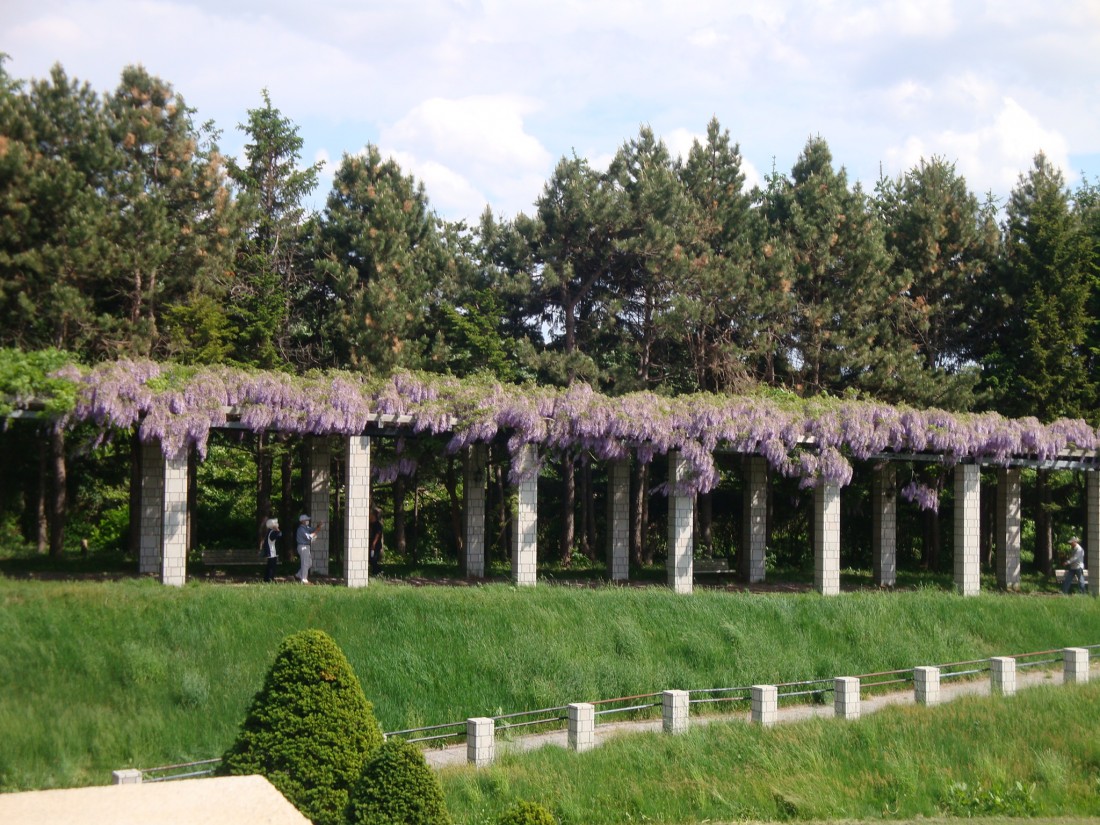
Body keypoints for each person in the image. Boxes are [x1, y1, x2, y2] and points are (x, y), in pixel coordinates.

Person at [296, 514, 323, 584]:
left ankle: (299, 574)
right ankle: (304, 579)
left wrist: (318, 526)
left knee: (309, 563)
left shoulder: (306, 527)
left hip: (306, 547)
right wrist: (317, 531)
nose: (308, 521)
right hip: (303, 546)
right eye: (306, 520)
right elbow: (309, 537)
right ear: (302, 521)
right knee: (305, 563)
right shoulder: (301, 529)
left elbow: (313, 529)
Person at [263, 518, 282, 582]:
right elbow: (279, 535)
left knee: (270, 566)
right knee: (272, 566)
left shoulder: (269, 531)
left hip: (272, 551)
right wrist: (278, 530)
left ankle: (267, 578)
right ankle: (270, 579)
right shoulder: (272, 532)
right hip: (271, 552)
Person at [368, 507, 383, 577]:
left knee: (373, 559)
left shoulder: (378, 525)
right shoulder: (370, 524)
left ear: (374, 516)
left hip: (376, 545)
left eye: (371, 515)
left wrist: (374, 543)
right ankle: (375, 572)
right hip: (370, 543)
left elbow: (377, 534)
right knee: (370, 559)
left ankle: (378, 571)